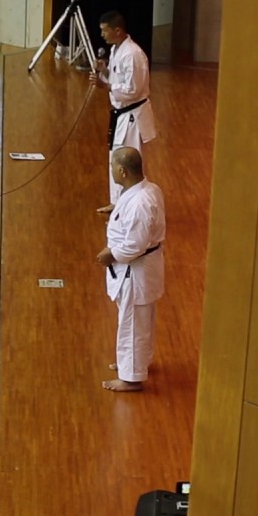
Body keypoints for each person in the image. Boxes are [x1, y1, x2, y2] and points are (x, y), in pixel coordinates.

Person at [97, 147, 165, 393]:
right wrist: (117, 209)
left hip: (135, 269)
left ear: (123, 171)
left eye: (114, 167)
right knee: (138, 319)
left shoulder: (139, 203)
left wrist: (110, 254)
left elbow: (135, 244)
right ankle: (136, 362)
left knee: (133, 320)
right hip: (141, 268)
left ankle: (132, 377)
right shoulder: (147, 189)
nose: (112, 171)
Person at [93, 11, 157, 211]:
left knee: (127, 160)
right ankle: (117, 201)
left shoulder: (133, 54)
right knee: (116, 156)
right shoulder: (116, 50)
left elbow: (132, 89)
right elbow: (118, 78)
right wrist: (105, 72)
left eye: (105, 30)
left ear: (117, 30)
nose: (102, 35)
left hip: (132, 115)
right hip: (121, 113)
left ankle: (132, 203)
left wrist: (107, 87)